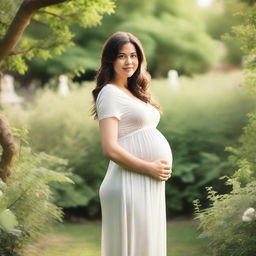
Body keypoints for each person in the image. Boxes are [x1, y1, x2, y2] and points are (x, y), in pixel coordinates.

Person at [91, 31, 173, 256]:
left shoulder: (134, 90)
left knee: (147, 247)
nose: (129, 61)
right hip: (128, 184)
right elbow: (109, 148)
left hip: (146, 181)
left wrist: (153, 171)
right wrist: (150, 167)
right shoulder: (109, 93)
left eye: (133, 55)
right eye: (121, 56)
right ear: (111, 59)